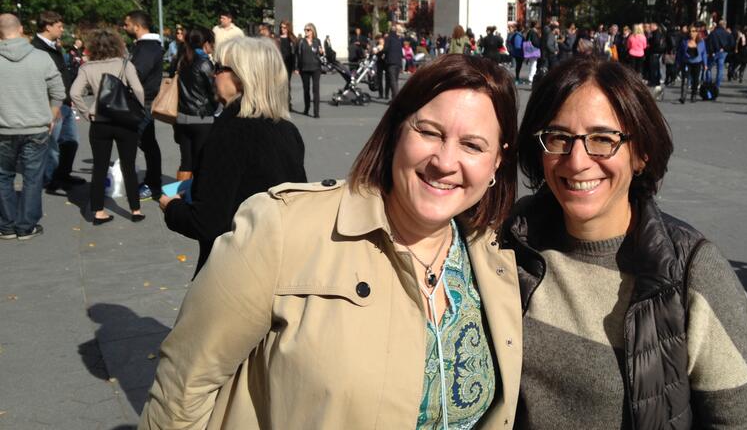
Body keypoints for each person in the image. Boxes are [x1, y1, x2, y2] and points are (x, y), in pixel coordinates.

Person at [139, 54, 522, 429]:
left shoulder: (491, 257)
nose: (445, 161)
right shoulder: (283, 228)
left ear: (498, 161)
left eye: (473, 145)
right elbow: (180, 393)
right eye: (429, 131)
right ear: (397, 130)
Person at [507, 56, 747, 428]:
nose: (577, 160)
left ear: (641, 153)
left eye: (602, 139)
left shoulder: (690, 270)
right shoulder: (512, 242)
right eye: (558, 137)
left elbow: (739, 421)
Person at [159, 37, 307, 276]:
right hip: (278, 265)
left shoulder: (230, 131)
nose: (213, 75)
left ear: (241, 76)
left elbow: (207, 223)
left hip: (234, 273)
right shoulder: (286, 130)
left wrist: (171, 207)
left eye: (219, 68)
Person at [70, 28, 145, 225]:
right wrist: (138, 110)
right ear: (117, 45)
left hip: (99, 121)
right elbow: (137, 88)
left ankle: (98, 211)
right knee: (128, 165)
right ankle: (135, 209)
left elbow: (74, 93)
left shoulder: (86, 68)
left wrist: (86, 113)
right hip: (124, 120)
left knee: (100, 166)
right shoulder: (124, 64)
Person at [0, 13, 65, 240]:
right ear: (20, 30)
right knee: (32, 177)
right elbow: (58, 92)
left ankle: (6, 225)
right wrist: (51, 115)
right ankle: (26, 225)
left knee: (3, 176)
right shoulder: (41, 57)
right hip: (36, 126)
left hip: (3, 129)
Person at [32, 11, 85, 194]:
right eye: (59, 26)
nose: (62, 29)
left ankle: (63, 174)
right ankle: (51, 178)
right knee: (53, 144)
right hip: (52, 103)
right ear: (48, 26)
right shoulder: (37, 48)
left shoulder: (54, 46)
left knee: (70, 141)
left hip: (64, 101)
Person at [124, 11, 164, 200]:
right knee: (146, 143)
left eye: (127, 24)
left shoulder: (147, 48)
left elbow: (136, 73)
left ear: (137, 26)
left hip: (142, 101)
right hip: (142, 100)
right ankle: (152, 181)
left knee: (147, 143)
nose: (125, 28)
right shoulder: (146, 46)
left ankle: (153, 183)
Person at [174, 28, 218, 182]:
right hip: (202, 118)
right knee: (202, 161)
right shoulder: (204, 63)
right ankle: (198, 196)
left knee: (186, 162)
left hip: (182, 116)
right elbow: (214, 91)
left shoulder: (182, 60)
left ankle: (180, 197)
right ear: (206, 43)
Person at [296, 22, 324, 118]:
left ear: (312, 31)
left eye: (308, 30)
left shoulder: (317, 41)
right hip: (304, 68)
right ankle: (306, 108)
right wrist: (296, 68)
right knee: (306, 89)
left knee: (316, 90)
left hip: (316, 68)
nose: (306, 31)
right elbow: (297, 55)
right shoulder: (301, 41)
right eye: (305, 30)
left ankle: (316, 112)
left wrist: (321, 52)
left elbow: (320, 54)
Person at [676, 23, 707, 103]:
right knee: (685, 79)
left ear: (697, 32)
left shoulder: (701, 42)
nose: (691, 33)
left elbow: (704, 53)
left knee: (695, 80)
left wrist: (705, 64)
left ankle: (693, 95)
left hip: (697, 63)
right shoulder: (685, 41)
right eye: (690, 31)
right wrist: (678, 62)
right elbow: (680, 52)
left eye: (693, 31)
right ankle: (683, 96)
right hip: (687, 62)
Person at [277, 20, 297, 109]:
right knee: (280, 83)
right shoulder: (278, 38)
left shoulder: (292, 38)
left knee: (287, 83)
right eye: (281, 27)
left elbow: (296, 53)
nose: (282, 29)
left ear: (288, 28)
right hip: (279, 63)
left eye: (284, 27)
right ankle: (280, 103)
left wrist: (296, 67)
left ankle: (288, 102)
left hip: (289, 63)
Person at [384, 23, 404, 100]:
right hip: (398, 62)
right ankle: (393, 98)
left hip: (391, 61)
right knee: (395, 80)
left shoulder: (388, 38)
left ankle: (395, 98)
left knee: (392, 81)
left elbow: (385, 49)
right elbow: (401, 52)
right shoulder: (399, 40)